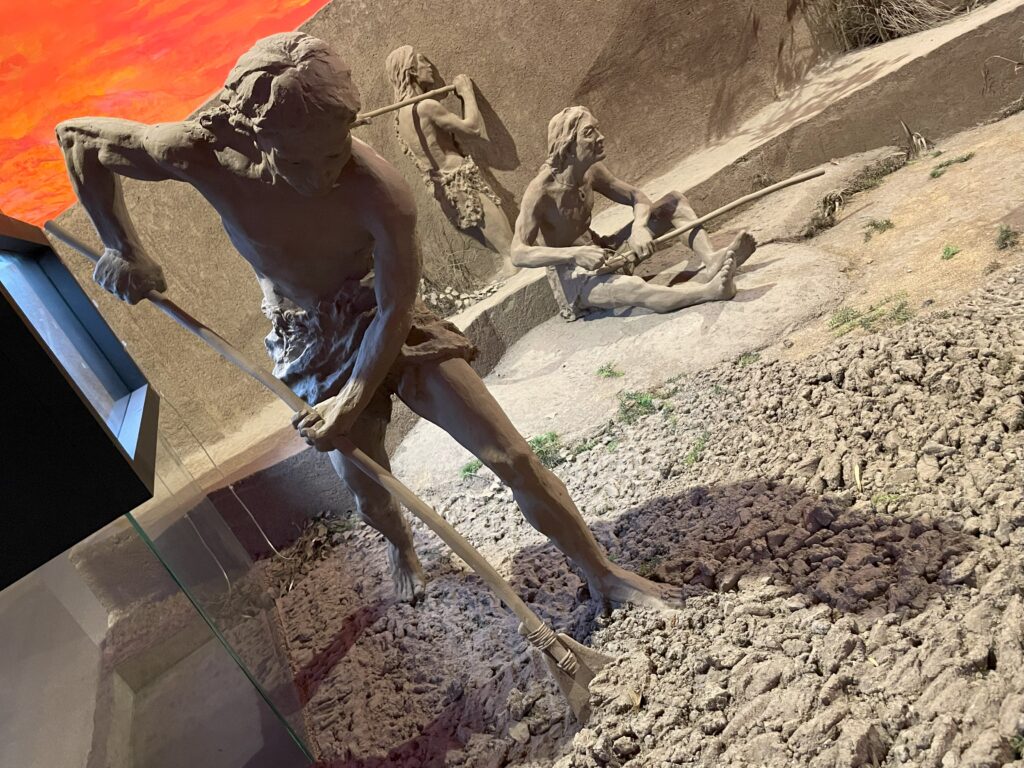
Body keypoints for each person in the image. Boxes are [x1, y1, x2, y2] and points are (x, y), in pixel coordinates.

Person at [57, 33, 678, 609]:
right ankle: (400, 543)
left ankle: (602, 572)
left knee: (511, 453)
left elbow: (396, 304)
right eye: (307, 158)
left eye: (338, 148)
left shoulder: (377, 190)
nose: (329, 170)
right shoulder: (197, 153)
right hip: (308, 339)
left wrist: (352, 400)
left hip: (382, 314)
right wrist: (123, 247)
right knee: (368, 491)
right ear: (257, 138)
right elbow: (78, 139)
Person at [511, 106, 756, 320]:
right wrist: (575, 254)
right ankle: (709, 292)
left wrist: (639, 226)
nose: (601, 137)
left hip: (606, 253)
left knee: (673, 202)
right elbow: (519, 253)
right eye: (589, 132)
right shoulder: (540, 191)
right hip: (576, 279)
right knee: (634, 288)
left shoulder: (590, 170)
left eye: (597, 129)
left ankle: (711, 260)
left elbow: (636, 197)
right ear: (568, 145)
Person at [384, 45, 517, 277]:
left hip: (442, 187)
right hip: (460, 178)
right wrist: (467, 93)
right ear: (412, 71)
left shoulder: (400, 118)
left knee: (498, 244)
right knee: (510, 253)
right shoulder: (426, 106)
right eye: (423, 61)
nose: (430, 67)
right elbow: (472, 128)